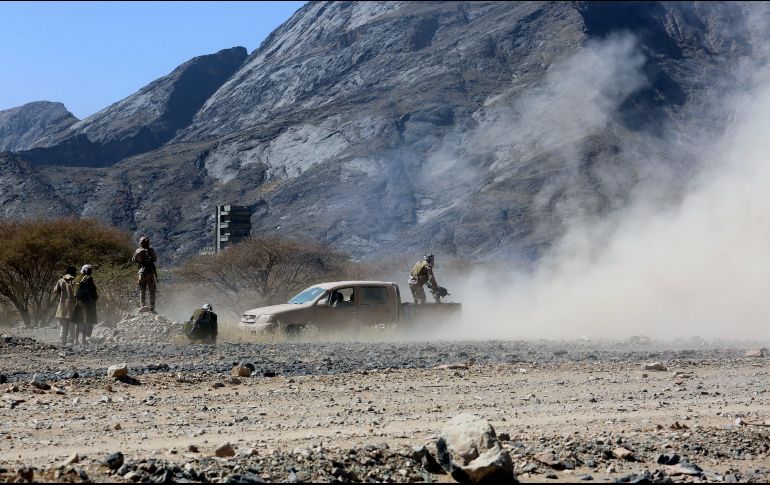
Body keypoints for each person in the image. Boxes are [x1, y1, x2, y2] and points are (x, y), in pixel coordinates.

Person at [73, 264, 98, 345]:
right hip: (86, 303)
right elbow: (93, 291)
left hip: (78, 302)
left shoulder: (76, 278)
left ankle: (76, 340)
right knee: (85, 321)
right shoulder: (89, 279)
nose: (90, 271)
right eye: (89, 270)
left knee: (78, 321)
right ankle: (83, 340)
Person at [131, 236, 158, 312]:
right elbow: (155, 259)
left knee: (142, 290)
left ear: (141, 243)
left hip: (141, 273)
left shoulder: (138, 250)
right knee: (152, 291)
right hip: (150, 272)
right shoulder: (151, 250)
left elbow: (133, 260)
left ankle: (142, 306)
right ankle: (152, 307)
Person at [53, 265, 77, 345]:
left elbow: (55, 290)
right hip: (71, 306)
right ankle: (70, 341)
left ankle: (63, 341)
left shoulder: (61, 280)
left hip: (62, 306)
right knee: (71, 325)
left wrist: (62, 294)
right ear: (73, 272)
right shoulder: (74, 280)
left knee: (63, 326)